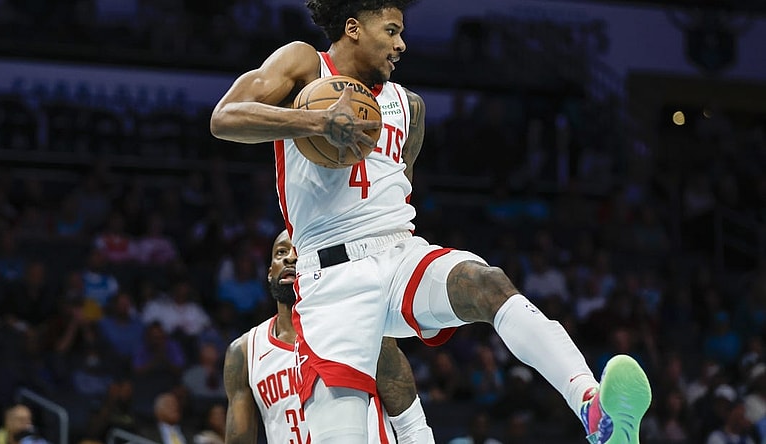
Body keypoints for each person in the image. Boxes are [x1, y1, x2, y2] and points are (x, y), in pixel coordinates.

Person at [210, 1, 652, 442]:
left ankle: (594, 412)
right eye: (391, 31)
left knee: (488, 283)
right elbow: (223, 119)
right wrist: (317, 122)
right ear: (353, 28)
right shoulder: (305, 64)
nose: (401, 44)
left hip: (397, 253)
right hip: (331, 280)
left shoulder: (411, 108)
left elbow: (398, 193)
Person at [223, 229, 433, 443]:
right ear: (269, 272)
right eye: (281, 252)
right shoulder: (245, 351)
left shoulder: (361, 324)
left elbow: (410, 422)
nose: (290, 257)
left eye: (301, 251)